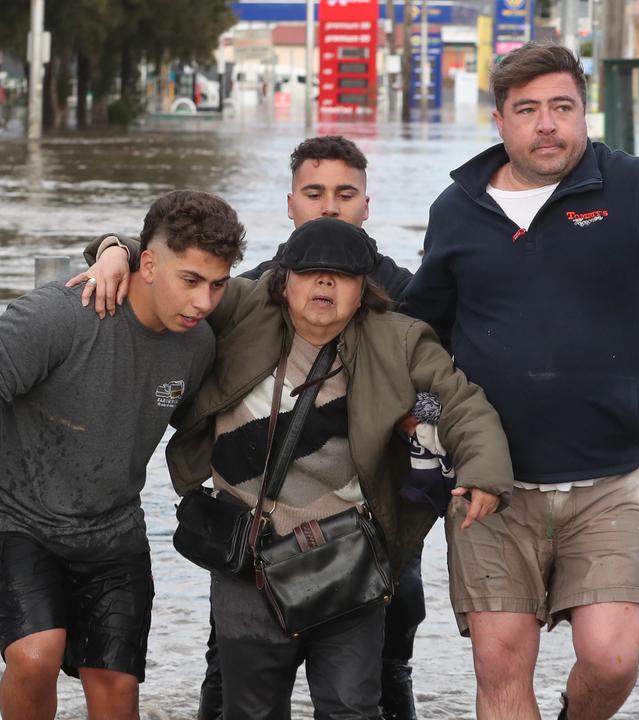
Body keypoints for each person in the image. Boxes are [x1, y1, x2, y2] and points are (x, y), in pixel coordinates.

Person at [396, 43, 639, 719]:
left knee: (612, 660)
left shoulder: (635, 187)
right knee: (499, 666)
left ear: (584, 113)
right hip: (491, 487)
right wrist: (420, 420)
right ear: (500, 121)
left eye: (562, 107)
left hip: (611, 481)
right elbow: (421, 330)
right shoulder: (457, 209)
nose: (547, 124)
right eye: (528, 110)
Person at [86, 217, 513, 718]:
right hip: (248, 557)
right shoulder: (242, 308)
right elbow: (178, 266)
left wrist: (483, 472)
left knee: (351, 708)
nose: (325, 283)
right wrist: (116, 250)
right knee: (250, 711)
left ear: (363, 289)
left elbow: (462, 405)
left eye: (342, 275)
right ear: (284, 279)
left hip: (349, 559)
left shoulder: (400, 339)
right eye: (311, 272)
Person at [77, 135, 424, 720]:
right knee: (232, 663)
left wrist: (422, 422)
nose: (330, 207)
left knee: (383, 665)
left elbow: (442, 378)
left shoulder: (405, 294)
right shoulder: (260, 288)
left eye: (345, 193)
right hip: (256, 527)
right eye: (314, 193)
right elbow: (178, 269)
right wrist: (114, 248)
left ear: (367, 204)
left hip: (371, 517)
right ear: (291, 204)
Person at [0, 190, 247, 720]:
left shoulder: (198, 348)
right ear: (146, 263)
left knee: (116, 688)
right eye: (190, 280)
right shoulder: (57, 315)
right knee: (36, 656)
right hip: (16, 517)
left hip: (110, 528)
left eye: (217, 285)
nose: (203, 303)